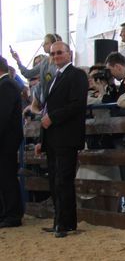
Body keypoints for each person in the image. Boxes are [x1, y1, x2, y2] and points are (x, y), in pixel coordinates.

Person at [35, 42, 88, 238]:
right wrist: (41, 139)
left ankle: (66, 224)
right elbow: (45, 111)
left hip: (67, 136)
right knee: (54, 181)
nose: (56, 56)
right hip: (52, 137)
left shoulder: (77, 75)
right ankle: (60, 221)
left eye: (59, 52)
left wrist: (53, 118)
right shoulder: (52, 79)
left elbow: (77, 105)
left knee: (63, 180)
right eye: (53, 53)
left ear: (69, 53)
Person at [0, 56, 23, 228]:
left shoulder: (6, 85)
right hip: (6, 138)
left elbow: (3, 115)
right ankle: (6, 212)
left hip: (6, 139)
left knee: (7, 175)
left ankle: (12, 214)